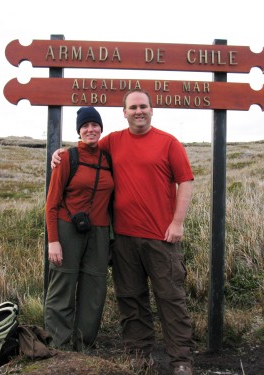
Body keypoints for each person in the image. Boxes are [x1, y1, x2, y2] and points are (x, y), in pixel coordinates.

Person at [52, 89, 195, 375]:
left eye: (143, 106)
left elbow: (186, 182)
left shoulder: (169, 143)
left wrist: (177, 223)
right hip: (124, 238)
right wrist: (60, 153)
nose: (138, 111)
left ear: (151, 110)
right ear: (124, 112)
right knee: (131, 299)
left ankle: (180, 359)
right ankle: (138, 356)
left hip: (161, 237)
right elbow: (86, 144)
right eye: (133, 107)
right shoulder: (113, 141)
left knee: (171, 298)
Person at [44, 106, 114, 351]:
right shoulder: (66, 158)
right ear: (79, 131)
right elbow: (51, 204)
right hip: (67, 229)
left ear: (101, 129)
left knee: (94, 290)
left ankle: (84, 347)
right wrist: (53, 241)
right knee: (63, 286)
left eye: (95, 125)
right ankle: (58, 347)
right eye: (85, 126)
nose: (90, 129)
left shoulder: (108, 159)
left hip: (99, 232)